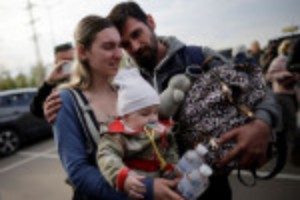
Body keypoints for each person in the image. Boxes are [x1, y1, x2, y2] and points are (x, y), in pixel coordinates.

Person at [45, 1, 281, 199]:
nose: (133, 47)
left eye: (136, 35)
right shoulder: (130, 81)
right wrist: (46, 97)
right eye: (123, 44)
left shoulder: (197, 58)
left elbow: (258, 88)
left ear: (151, 22)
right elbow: (79, 161)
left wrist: (261, 123)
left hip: (210, 183)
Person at [51, 15, 183, 200]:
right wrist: (146, 189)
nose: (119, 54)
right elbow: (78, 172)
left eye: (119, 46)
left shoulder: (129, 85)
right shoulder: (67, 101)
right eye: (108, 47)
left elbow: (156, 130)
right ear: (82, 52)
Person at [98, 67, 178, 199]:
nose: (153, 118)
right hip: (136, 188)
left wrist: (171, 166)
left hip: (161, 183)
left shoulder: (158, 130)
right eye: (145, 114)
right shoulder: (117, 136)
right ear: (125, 116)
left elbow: (169, 148)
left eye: (156, 112)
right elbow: (106, 156)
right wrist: (124, 177)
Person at [30, 42, 74, 118]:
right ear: (56, 63)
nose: (69, 64)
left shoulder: (89, 79)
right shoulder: (52, 86)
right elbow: (36, 111)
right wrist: (49, 82)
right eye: (64, 61)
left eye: (72, 60)